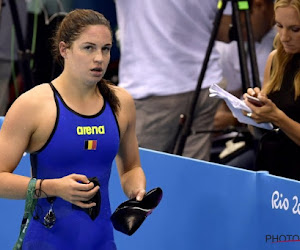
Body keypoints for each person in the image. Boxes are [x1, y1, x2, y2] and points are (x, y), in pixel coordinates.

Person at [0, 9, 146, 249]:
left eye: (106, 49)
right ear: (64, 50)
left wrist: (138, 192)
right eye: (88, 48)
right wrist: (51, 187)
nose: (99, 58)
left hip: (101, 241)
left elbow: (131, 168)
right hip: (47, 242)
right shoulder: (33, 106)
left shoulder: (121, 103)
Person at [114, 0, 233, 161]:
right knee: (189, 175)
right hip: (205, 85)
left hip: (154, 91)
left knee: (139, 175)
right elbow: (225, 29)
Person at [212, 0, 276, 169]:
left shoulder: (282, 47)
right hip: (242, 135)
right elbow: (231, 98)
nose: (240, 32)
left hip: (270, 137)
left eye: (243, 25)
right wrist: (220, 120)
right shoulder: (235, 46)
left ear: (259, 6)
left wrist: (232, 119)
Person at [243, 0, 300, 180]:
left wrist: (277, 116)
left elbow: (277, 117)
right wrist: (255, 109)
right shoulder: (275, 60)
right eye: (279, 25)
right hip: (271, 166)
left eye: (295, 29)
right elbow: (264, 129)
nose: (284, 37)